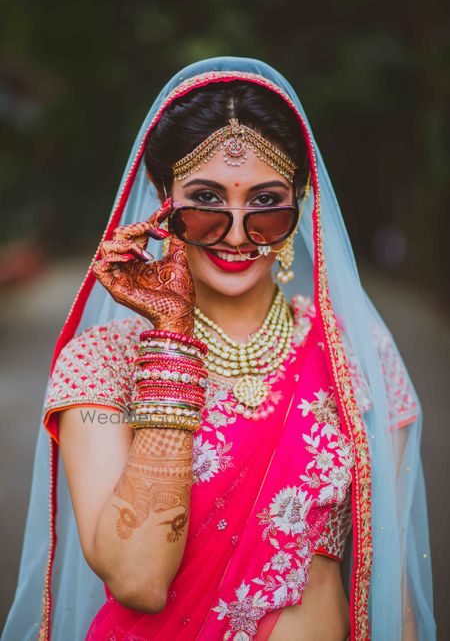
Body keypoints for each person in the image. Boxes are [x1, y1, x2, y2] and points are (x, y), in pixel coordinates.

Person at [1, 57, 436, 641]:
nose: (235, 232)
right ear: (163, 200)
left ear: (302, 204)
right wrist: (171, 344)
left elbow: (395, 594)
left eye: (266, 203)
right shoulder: (103, 362)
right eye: (206, 201)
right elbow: (138, 580)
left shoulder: (356, 355)